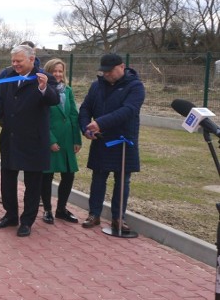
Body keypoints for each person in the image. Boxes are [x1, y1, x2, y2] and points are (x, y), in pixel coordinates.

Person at [0, 44, 58, 237]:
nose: (15, 65)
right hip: (10, 137)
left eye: (19, 61)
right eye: (13, 61)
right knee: (7, 178)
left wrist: (43, 88)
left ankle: (27, 221)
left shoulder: (44, 77)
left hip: (34, 139)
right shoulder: (6, 74)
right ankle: (10, 215)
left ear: (31, 60)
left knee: (32, 182)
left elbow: (54, 99)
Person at [79, 53, 144, 232]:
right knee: (98, 178)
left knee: (122, 181)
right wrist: (86, 127)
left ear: (122, 67)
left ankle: (118, 218)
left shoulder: (135, 86)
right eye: (104, 71)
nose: (106, 74)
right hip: (101, 141)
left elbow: (128, 110)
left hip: (124, 142)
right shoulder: (96, 87)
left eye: (110, 71)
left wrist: (100, 123)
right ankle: (94, 214)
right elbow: (85, 108)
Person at [40, 58, 81, 224]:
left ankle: (61, 208)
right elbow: (41, 118)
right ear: (48, 72)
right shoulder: (43, 90)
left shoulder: (68, 90)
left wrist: (76, 139)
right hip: (51, 138)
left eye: (60, 71)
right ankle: (47, 209)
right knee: (47, 176)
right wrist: (50, 140)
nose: (57, 74)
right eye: (54, 71)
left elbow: (73, 114)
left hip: (67, 139)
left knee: (69, 175)